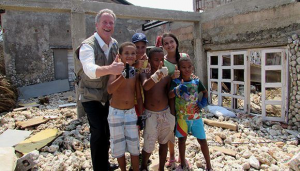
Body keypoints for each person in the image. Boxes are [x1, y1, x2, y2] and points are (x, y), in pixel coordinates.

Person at [74, 9, 123, 171]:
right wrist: (111, 69)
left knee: (107, 131)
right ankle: (98, 168)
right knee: (98, 132)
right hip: (90, 96)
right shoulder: (87, 46)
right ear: (97, 25)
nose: (108, 26)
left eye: (111, 23)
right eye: (105, 22)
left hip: (107, 96)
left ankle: (105, 164)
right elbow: (89, 70)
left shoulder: (114, 44)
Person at [169, 57, 212, 171]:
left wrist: (202, 103)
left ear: (193, 67)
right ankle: (182, 164)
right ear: (179, 68)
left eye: (189, 67)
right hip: (182, 118)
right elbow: (169, 95)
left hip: (196, 118)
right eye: (183, 67)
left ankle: (209, 165)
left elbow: (205, 92)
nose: (187, 69)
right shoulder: (176, 82)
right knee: (182, 140)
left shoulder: (196, 81)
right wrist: (177, 89)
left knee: (202, 140)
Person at [107, 42, 142, 171]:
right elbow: (110, 89)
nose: (130, 56)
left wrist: (141, 114)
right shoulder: (115, 70)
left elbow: (138, 96)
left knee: (134, 145)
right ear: (120, 56)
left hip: (131, 113)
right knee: (118, 145)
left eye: (133, 53)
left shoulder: (135, 73)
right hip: (116, 113)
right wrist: (123, 75)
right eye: (126, 53)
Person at [140, 47, 175, 171]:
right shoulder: (145, 74)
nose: (160, 63)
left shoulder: (166, 77)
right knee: (149, 145)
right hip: (151, 115)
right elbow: (146, 87)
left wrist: (172, 115)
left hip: (165, 113)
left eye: (162, 60)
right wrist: (157, 75)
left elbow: (169, 95)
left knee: (163, 142)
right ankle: (143, 166)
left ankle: (161, 168)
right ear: (149, 60)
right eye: (156, 60)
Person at [161, 33, 190, 168]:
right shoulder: (163, 61)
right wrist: (172, 77)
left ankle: (182, 156)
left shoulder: (184, 57)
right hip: (171, 99)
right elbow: (161, 82)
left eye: (171, 41)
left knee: (182, 126)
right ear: (163, 46)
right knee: (171, 128)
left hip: (184, 100)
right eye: (166, 43)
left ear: (176, 42)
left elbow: (190, 73)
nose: (169, 45)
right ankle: (172, 156)